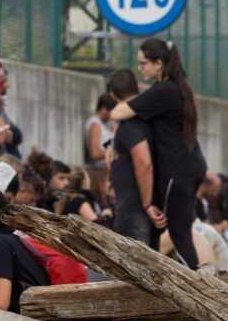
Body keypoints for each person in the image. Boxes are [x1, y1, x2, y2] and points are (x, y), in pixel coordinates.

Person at [109, 39, 207, 268]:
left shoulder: (165, 90)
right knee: (181, 231)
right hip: (189, 168)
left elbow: (119, 111)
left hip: (178, 171)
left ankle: (196, 285)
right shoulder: (175, 88)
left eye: (144, 63)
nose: (140, 68)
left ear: (159, 63)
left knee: (178, 232)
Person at [105, 70, 155, 245]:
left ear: (112, 94)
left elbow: (143, 162)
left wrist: (147, 203)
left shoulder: (130, 124)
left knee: (136, 264)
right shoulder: (146, 118)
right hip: (134, 204)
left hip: (134, 207)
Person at [86, 94, 115, 166]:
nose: (111, 115)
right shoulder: (95, 125)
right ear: (104, 109)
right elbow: (94, 154)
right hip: (100, 169)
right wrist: (114, 153)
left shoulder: (103, 124)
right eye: (111, 112)